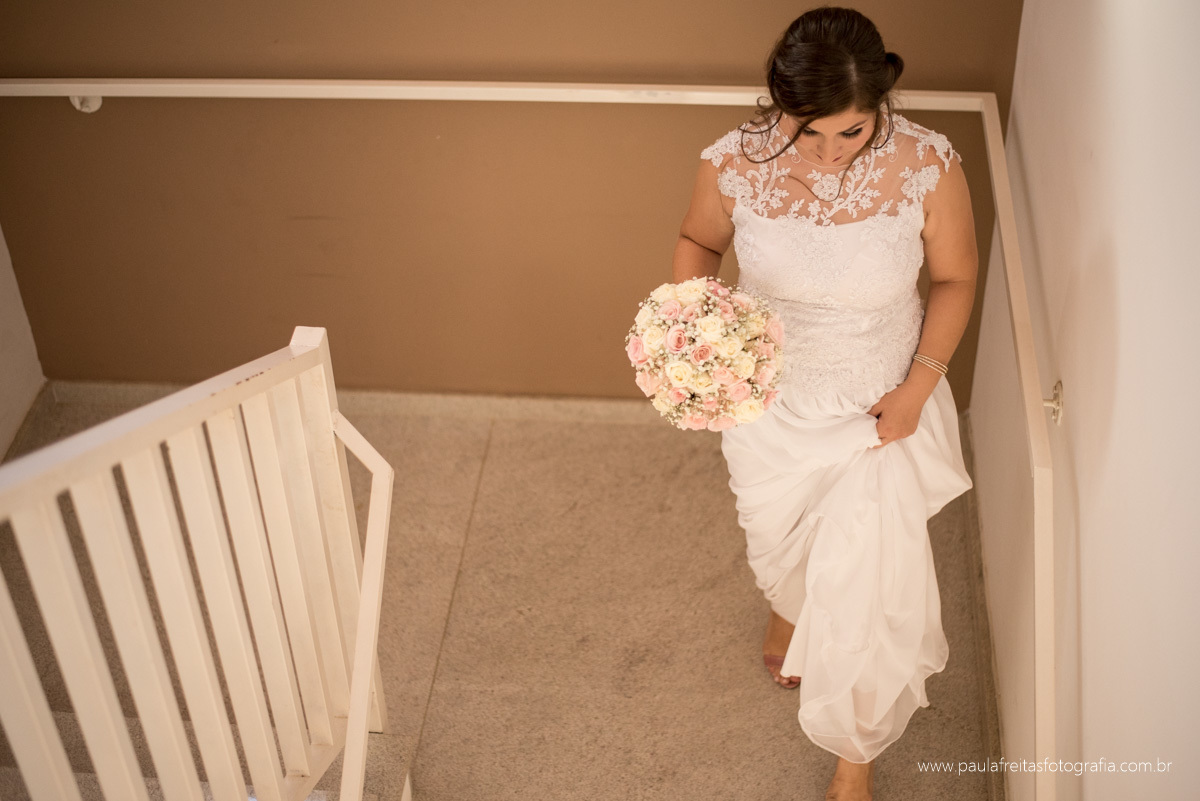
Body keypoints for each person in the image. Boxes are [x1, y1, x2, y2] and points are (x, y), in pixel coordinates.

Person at [672, 6, 977, 800]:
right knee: (776, 542)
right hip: (767, 402)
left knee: (870, 580)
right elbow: (700, 243)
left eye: (853, 131)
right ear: (779, 101)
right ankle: (788, 605)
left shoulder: (927, 165)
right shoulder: (731, 163)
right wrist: (692, 325)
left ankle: (854, 762)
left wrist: (919, 387)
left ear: (881, 103)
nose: (832, 153)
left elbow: (955, 278)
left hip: (879, 408)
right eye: (810, 132)